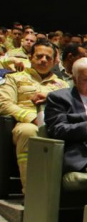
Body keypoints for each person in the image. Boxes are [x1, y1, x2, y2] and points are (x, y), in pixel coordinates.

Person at [0, 39, 69, 190]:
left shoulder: (63, 85)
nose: (43, 60)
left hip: (55, 123)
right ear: (30, 57)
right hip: (26, 123)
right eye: (39, 56)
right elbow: (4, 104)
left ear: (54, 62)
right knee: (30, 132)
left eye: (48, 57)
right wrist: (32, 118)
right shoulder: (14, 78)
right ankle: (31, 192)